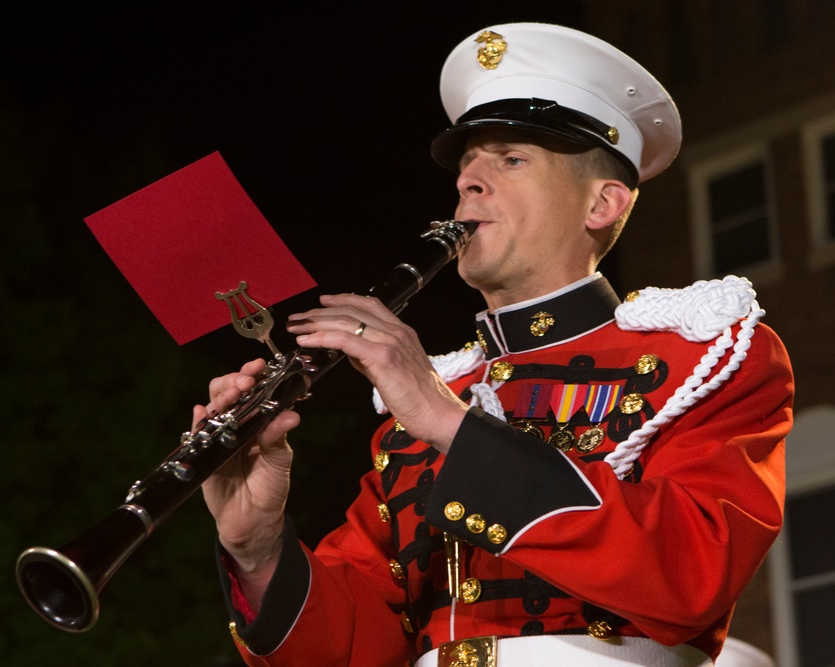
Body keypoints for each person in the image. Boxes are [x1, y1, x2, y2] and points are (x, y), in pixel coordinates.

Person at [196, 22, 794, 667]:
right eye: (466, 166)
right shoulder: (417, 415)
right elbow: (353, 650)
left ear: (603, 202)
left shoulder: (707, 357)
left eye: (510, 159)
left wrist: (455, 426)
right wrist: (257, 546)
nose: (468, 183)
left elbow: (690, 575)